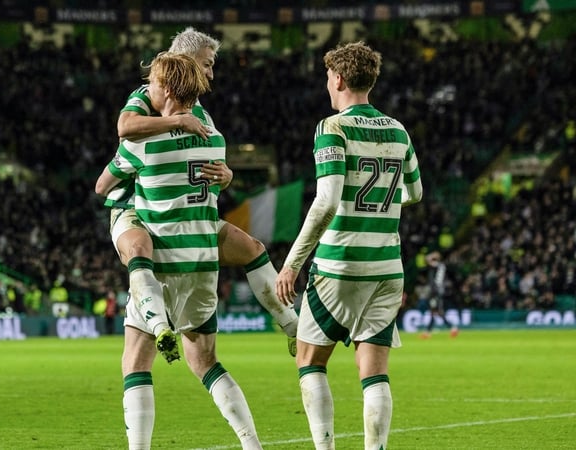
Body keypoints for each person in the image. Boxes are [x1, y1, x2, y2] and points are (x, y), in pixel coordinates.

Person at [96, 52, 262, 450]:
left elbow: (102, 185)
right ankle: (251, 443)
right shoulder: (215, 139)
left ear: (167, 89)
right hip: (203, 265)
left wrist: (132, 179)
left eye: (153, 83)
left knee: (136, 362)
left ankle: (157, 325)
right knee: (206, 363)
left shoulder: (143, 142)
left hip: (162, 262)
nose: (147, 89)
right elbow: (218, 178)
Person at [109, 26, 299, 360]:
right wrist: (176, 122)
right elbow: (125, 127)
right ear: (184, 59)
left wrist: (227, 175)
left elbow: (208, 168)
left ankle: (295, 329)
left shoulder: (200, 111)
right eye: (207, 64)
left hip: (185, 212)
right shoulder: (148, 94)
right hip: (138, 209)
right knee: (141, 257)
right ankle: (157, 323)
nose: (211, 73)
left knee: (252, 249)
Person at [274, 41, 423, 450]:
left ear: (338, 79)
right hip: (387, 268)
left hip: (340, 265)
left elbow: (326, 202)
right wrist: (377, 204)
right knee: (374, 373)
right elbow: (414, 192)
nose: (327, 84)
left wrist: (291, 264)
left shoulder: (332, 128)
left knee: (310, 362)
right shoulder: (398, 130)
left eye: (328, 77)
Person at [421, 251, 459, 338]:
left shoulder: (437, 265)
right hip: (437, 290)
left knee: (437, 311)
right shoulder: (440, 266)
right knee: (434, 311)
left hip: (436, 291)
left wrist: (430, 256)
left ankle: (452, 328)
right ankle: (428, 332)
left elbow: (426, 259)